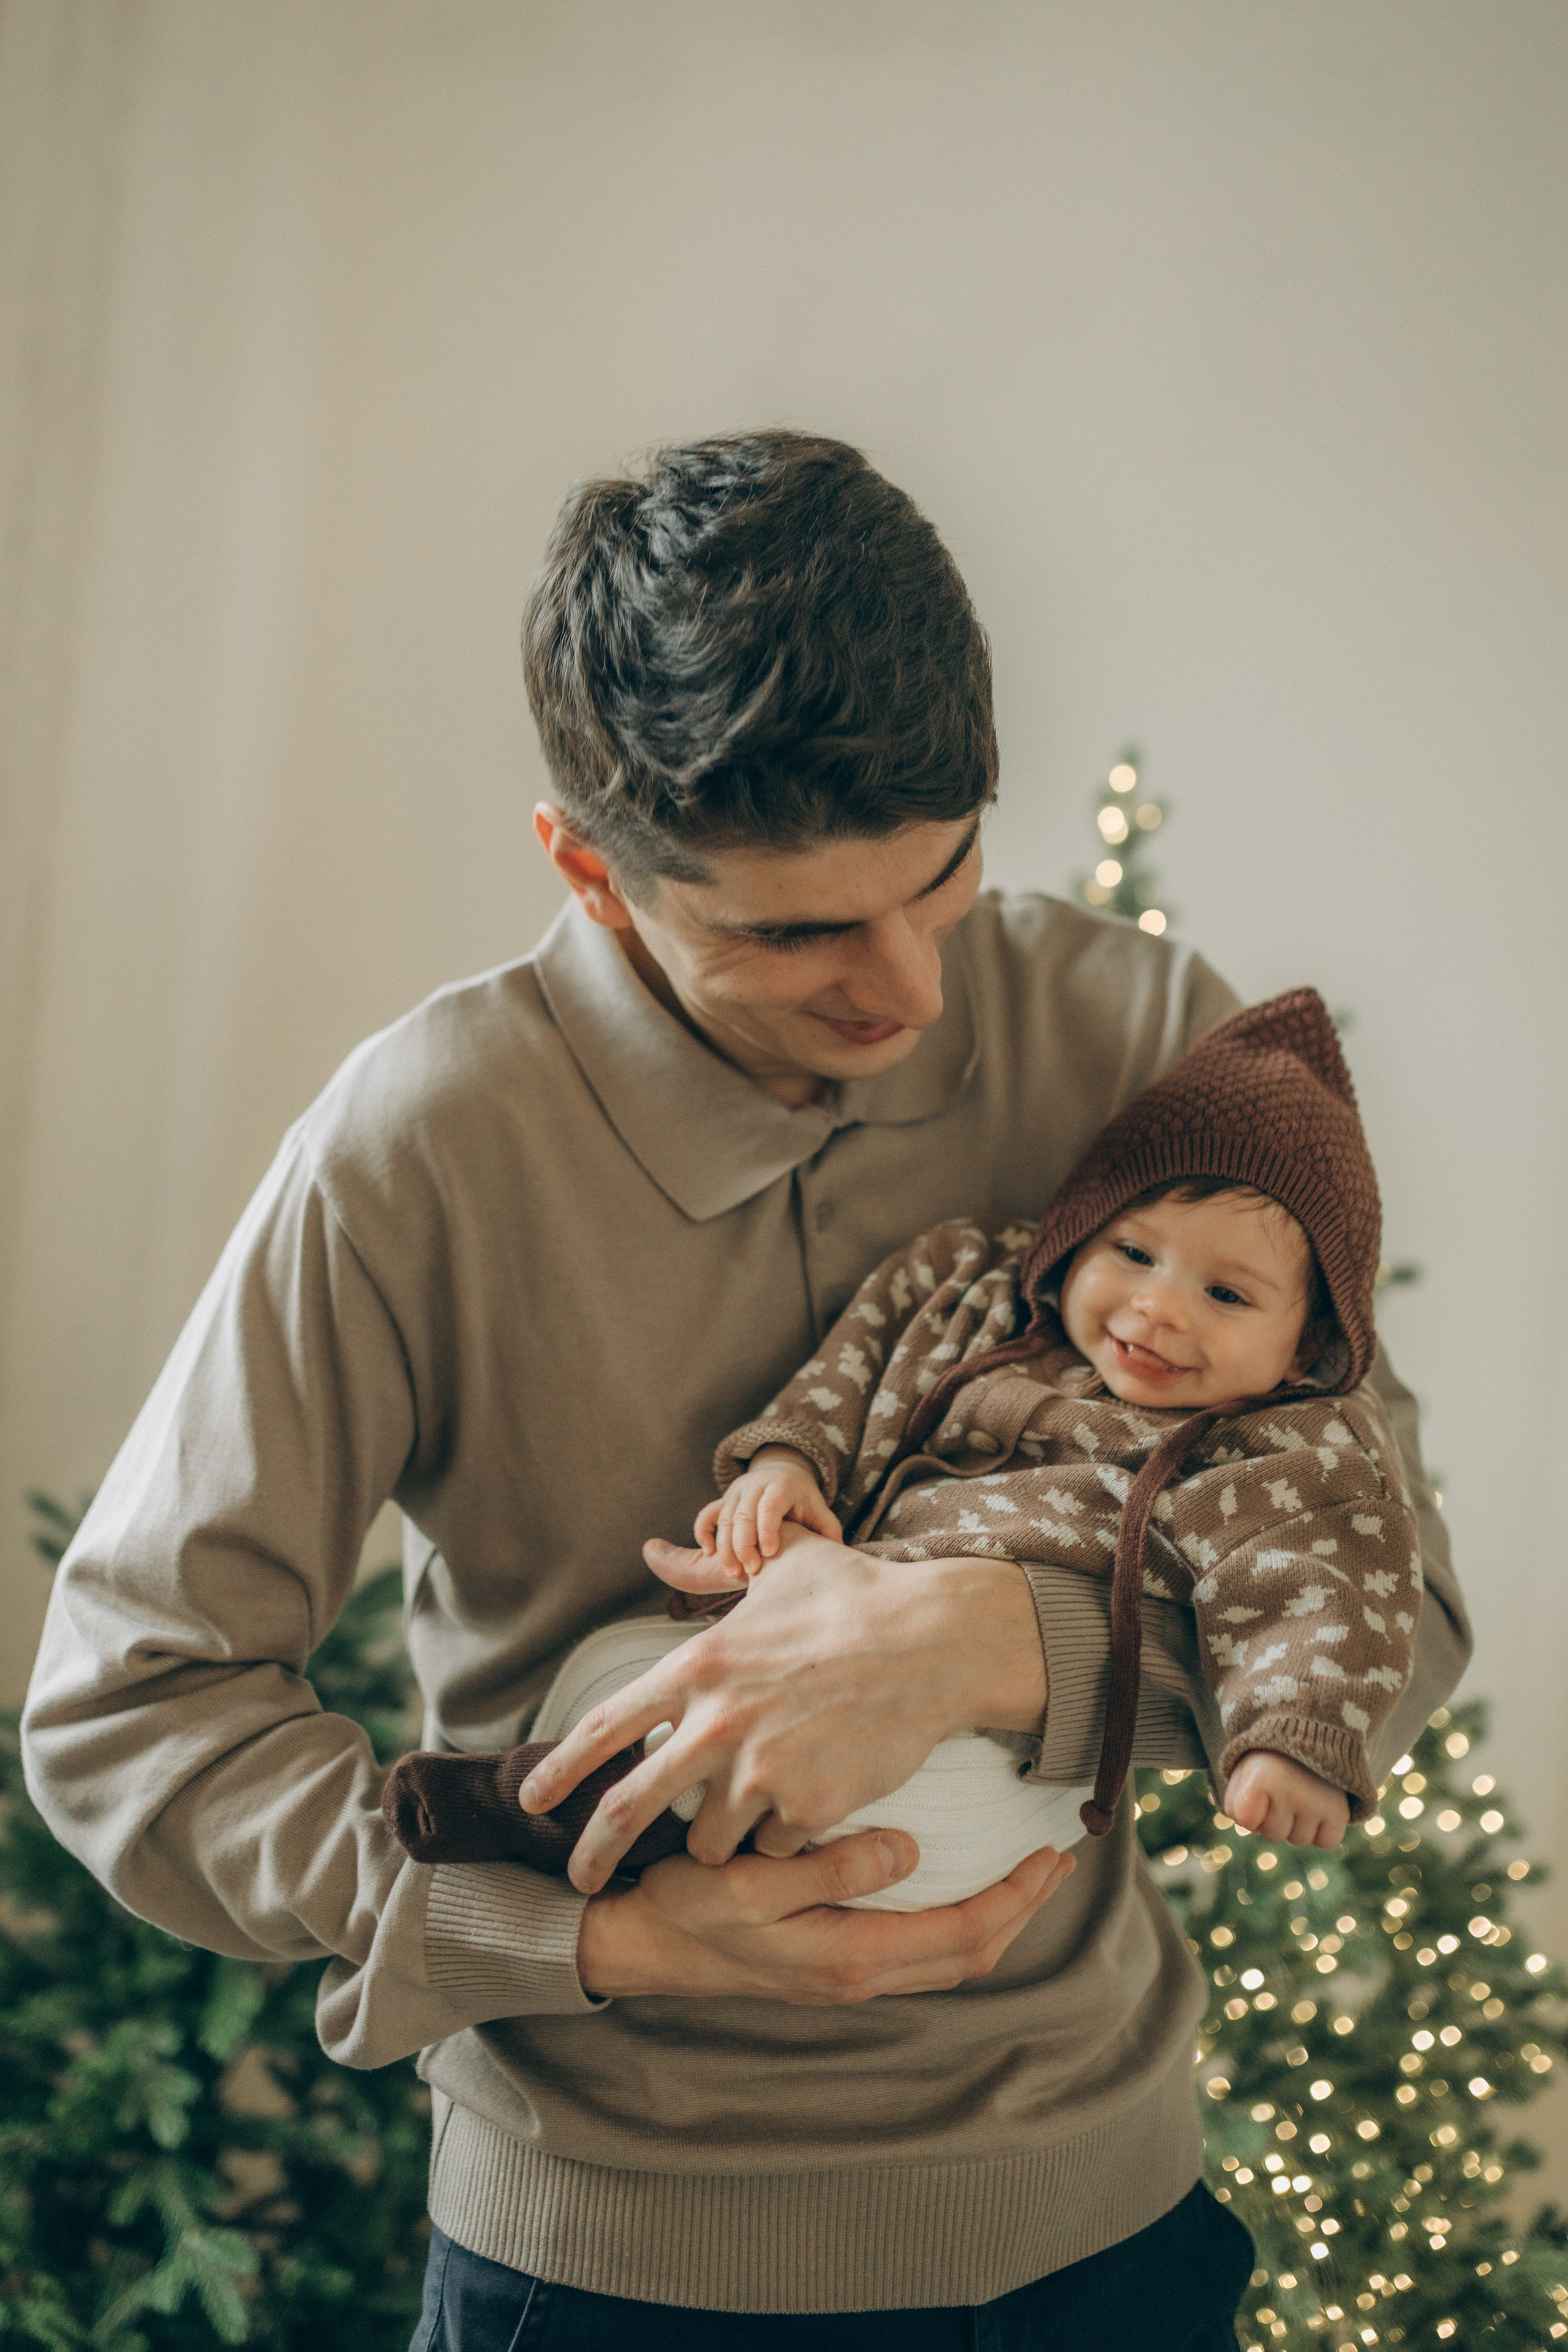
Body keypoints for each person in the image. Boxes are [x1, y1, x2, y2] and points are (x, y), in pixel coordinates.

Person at [21, 430, 1469, 2349]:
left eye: (942, 881)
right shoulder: (421, 1146)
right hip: (609, 2273)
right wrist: (583, 1938)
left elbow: (1399, 1598)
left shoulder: (1141, 1039)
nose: (910, 998)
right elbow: (133, 1707)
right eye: (793, 935)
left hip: (1109, 2238)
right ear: (590, 873)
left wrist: (995, 1644)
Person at [385, 987, 1417, 1902]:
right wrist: (786, 1470)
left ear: (1305, 1346)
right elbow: (854, 1369)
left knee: (869, 1806)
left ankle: (588, 1829)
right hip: (823, 1623)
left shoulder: (1281, 1451)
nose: (1155, 1308)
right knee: (619, 1666)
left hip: (1000, 1751)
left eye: (1226, 1293)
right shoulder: (979, 1294)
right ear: (1079, 1229)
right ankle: (557, 1798)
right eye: (1132, 1251)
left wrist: (1290, 1740)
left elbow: (1321, 1593)